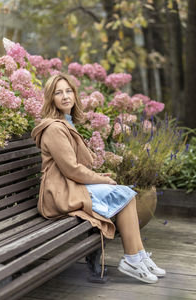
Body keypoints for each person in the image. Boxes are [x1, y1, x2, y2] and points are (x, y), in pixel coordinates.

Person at [31, 73, 166, 284]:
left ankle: (138, 256)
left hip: (69, 185)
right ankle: (132, 258)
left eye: (68, 91)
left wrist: (98, 177)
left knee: (127, 195)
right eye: (58, 93)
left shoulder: (65, 122)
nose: (65, 96)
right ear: (51, 98)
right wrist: (101, 180)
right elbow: (71, 170)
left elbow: (71, 168)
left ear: (75, 95)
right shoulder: (54, 128)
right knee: (124, 195)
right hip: (59, 193)